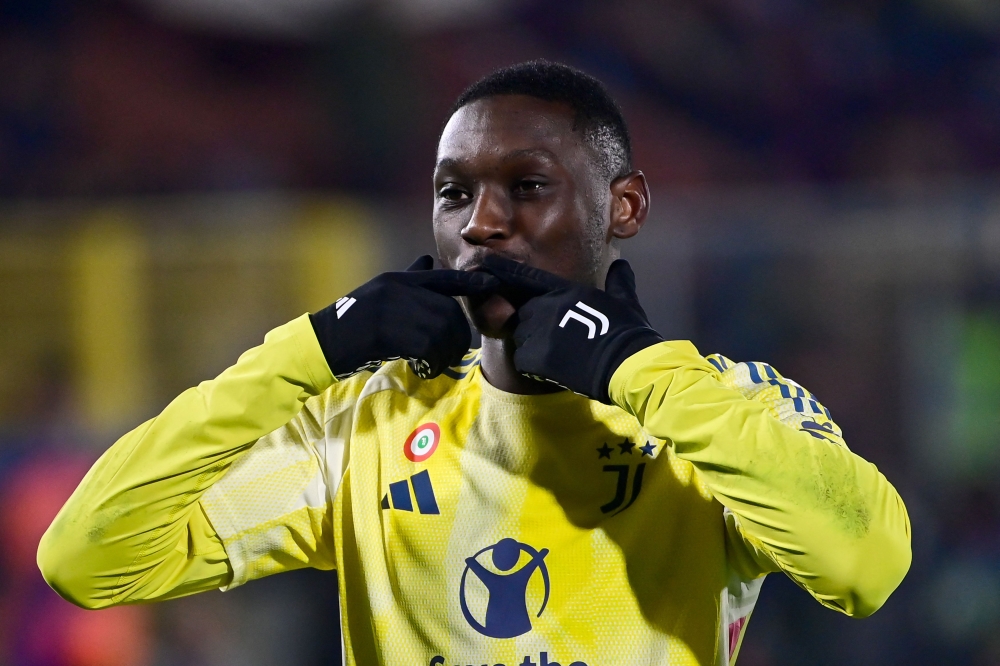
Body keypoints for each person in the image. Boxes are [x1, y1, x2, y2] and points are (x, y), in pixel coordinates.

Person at [37, 60, 911, 666]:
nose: (480, 225)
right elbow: (88, 557)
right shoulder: (366, 424)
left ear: (625, 206)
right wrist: (310, 350)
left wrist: (631, 368)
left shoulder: (723, 405)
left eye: (527, 187)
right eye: (453, 193)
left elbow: (864, 568)